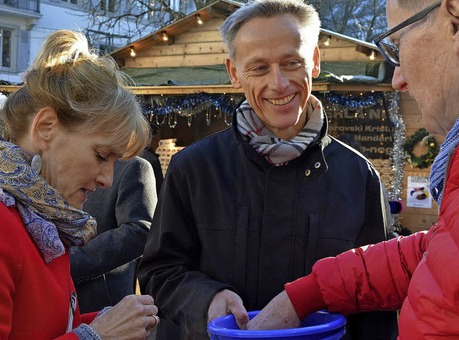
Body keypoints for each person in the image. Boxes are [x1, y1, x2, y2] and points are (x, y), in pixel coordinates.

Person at [248, 0, 459, 338]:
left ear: (456, 20)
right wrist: (307, 294)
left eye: (397, 47)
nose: (398, 79)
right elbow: (452, 253)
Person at [138, 0, 397, 339]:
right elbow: (159, 272)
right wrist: (204, 301)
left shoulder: (359, 176)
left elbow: (377, 292)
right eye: (259, 68)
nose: (278, 84)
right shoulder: (194, 169)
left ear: (315, 61)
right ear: (234, 73)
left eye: (291, 63)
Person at [0, 30, 160, 339]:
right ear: (45, 129)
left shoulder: (38, 216)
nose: (107, 179)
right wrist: (96, 335)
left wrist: (107, 322)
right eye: (101, 155)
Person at [71, 156, 158, 313]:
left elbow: (141, 230)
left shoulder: (132, 166)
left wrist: (73, 261)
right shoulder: (51, 160)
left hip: (99, 297)